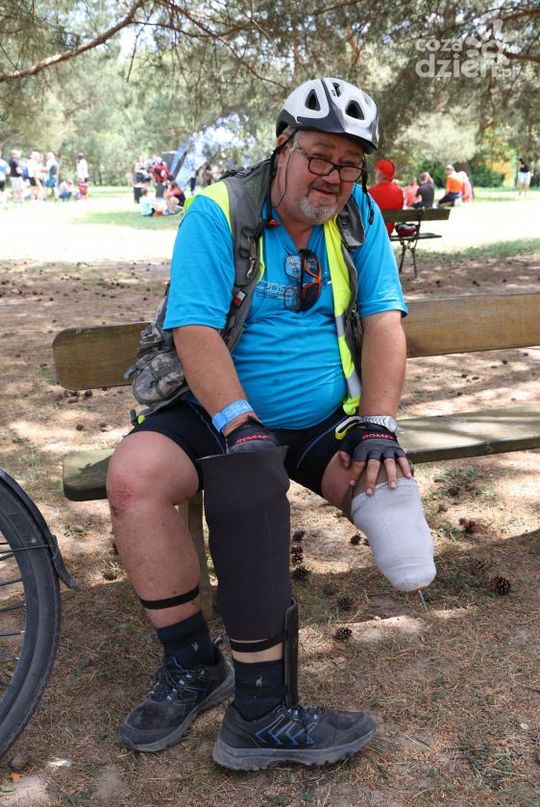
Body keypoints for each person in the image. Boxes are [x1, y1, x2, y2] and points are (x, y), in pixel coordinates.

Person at [106, 77, 436, 771]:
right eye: (319, 156)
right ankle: (222, 684)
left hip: (320, 419)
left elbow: (384, 319)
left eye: (349, 165)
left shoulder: (358, 216)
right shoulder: (219, 210)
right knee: (138, 479)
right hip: (213, 411)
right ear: (282, 145)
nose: (333, 177)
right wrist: (238, 422)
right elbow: (195, 329)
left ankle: (252, 702)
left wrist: (378, 422)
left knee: (405, 539)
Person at [367, 158, 404, 235]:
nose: (375, 175)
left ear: (381, 174)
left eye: (376, 172)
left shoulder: (370, 192)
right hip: (388, 234)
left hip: (371, 234)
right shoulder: (399, 192)